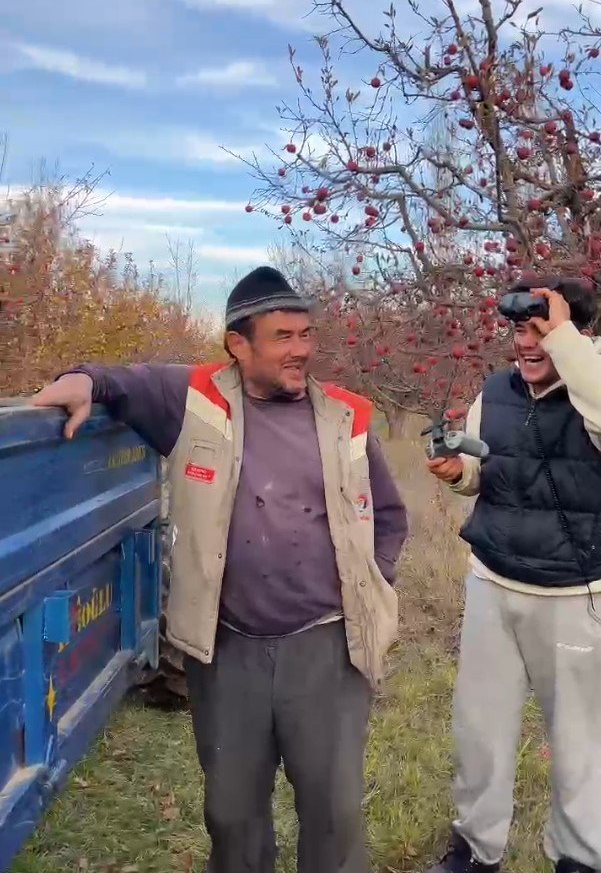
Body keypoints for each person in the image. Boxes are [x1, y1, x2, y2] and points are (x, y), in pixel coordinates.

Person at [32, 265, 408, 873]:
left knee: (333, 811)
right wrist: (79, 380)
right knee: (232, 815)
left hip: (327, 646)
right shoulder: (192, 400)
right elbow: (117, 381)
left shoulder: (348, 416)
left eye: (306, 335)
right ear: (239, 343)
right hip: (227, 648)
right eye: (283, 337)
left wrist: (374, 585)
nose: (301, 350)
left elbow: (389, 515)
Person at [426, 276, 601, 873]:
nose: (525, 343)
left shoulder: (591, 383)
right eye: (518, 330)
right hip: (494, 581)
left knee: (580, 741)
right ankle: (476, 851)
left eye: (539, 330)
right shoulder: (496, 391)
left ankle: (580, 857)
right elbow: (487, 472)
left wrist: (567, 343)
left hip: (575, 592)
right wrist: (458, 474)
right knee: (479, 731)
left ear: (573, 331)